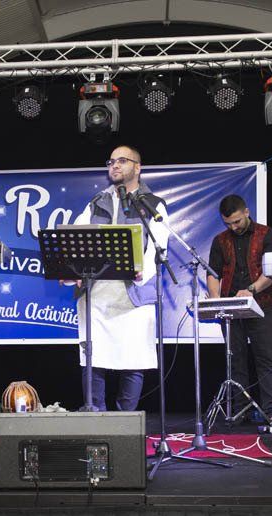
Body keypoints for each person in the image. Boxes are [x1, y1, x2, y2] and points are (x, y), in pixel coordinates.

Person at [67, 145, 169, 411]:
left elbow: (157, 248)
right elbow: (76, 236)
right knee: (94, 357)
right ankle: (95, 415)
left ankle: (126, 422)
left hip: (133, 295)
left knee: (133, 358)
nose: (114, 166)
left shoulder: (153, 204)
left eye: (122, 161)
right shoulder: (96, 202)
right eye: (111, 161)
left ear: (138, 167)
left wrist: (141, 273)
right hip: (97, 294)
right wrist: (72, 271)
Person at [206, 194, 272, 427]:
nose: (234, 227)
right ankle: (240, 410)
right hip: (231, 310)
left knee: (265, 358)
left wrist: (252, 289)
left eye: (237, 221)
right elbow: (213, 272)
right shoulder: (220, 240)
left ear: (247, 212)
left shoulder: (266, 234)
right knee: (235, 359)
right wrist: (215, 300)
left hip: (261, 305)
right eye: (228, 223)